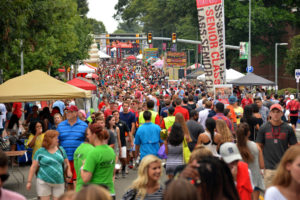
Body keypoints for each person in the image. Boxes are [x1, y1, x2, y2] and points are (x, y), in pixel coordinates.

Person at [256, 104, 298, 188]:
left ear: (282, 114)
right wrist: (261, 165)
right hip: (269, 168)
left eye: (278, 112)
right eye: (273, 112)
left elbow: (294, 147)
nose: (275, 114)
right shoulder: (263, 128)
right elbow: (258, 146)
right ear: (270, 114)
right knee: (270, 194)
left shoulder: (288, 128)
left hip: (284, 168)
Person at [26, 130, 72, 200]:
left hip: (59, 181)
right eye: (56, 138)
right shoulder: (40, 151)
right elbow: (33, 167)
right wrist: (29, 181)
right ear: (49, 139)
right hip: (43, 181)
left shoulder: (61, 150)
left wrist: (69, 172)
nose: (58, 140)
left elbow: (67, 163)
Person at [57, 105, 88, 190]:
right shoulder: (60, 126)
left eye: (70, 111)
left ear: (76, 113)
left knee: (77, 183)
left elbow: (87, 141)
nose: (67, 113)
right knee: (69, 183)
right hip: (66, 159)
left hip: (79, 159)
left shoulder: (84, 125)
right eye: (67, 112)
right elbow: (57, 142)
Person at [81, 123, 116, 197]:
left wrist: (83, 166)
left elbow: (85, 179)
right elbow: (113, 173)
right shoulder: (111, 151)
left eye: (89, 134)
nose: (88, 137)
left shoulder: (93, 153)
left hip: (97, 194)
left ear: (94, 135)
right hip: (110, 192)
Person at [236, 123, 265, 200]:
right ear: (249, 133)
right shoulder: (256, 146)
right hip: (255, 179)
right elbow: (262, 165)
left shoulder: (235, 147)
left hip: (241, 180)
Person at [73, 128, 94, 192]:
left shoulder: (78, 149)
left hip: (79, 188)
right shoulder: (93, 150)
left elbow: (76, 169)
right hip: (90, 190)